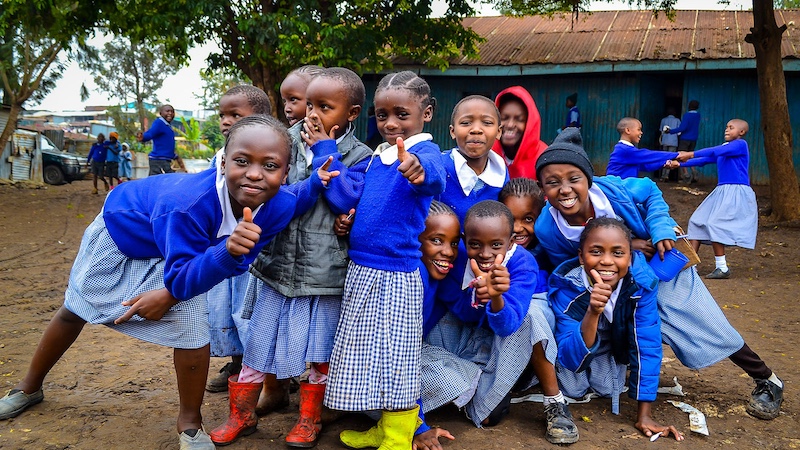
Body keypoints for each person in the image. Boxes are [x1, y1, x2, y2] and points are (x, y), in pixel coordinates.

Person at [0, 115, 337, 449]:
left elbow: (297, 198)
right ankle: (29, 388)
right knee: (75, 309)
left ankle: (190, 423)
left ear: (286, 171)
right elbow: (183, 275)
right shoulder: (188, 205)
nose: (254, 173)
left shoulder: (277, 206)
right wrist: (191, 276)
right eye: (242, 161)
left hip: (185, 256)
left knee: (193, 331)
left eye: (270, 166)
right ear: (222, 161)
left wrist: (315, 183)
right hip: (124, 236)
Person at [534, 128, 784, 422]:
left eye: (574, 179)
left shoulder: (613, 190)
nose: (565, 189)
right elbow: (568, 264)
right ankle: (624, 375)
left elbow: (651, 191)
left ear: (588, 179)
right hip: (614, 279)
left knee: (703, 322)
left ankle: (767, 379)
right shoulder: (547, 228)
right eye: (553, 183)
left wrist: (659, 229)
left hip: (660, 262)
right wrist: (626, 253)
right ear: (542, 188)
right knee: (619, 329)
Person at [210, 68, 373, 448]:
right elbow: (267, 188)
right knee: (257, 348)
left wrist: (324, 153)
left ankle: (308, 420)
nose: (313, 115)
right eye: (309, 104)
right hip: (277, 268)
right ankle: (242, 414)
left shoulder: (360, 155)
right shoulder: (282, 141)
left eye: (324, 107)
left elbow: (344, 199)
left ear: (350, 114)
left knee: (319, 354)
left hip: (324, 275)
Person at [324, 70, 445, 450]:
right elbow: (346, 196)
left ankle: (398, 435)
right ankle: (383, 425)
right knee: (365, 353)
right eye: (381, 115)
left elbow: (434, 179)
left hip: (396, 274)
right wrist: (323, 153)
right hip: (362, 269)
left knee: (397, 356)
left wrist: (418, 172)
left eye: (401, 114)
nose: (390, 123)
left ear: (426, 113)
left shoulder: (424, 152)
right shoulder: (377, 157)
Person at [422, 200, 578, 445]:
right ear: (464, 240)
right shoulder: (454, 256)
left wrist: (495, 297)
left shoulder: (523, 264)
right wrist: (478, 296)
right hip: (460, 336)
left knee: (532, 317)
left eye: (496, 245)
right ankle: (472, 385)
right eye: (475, 244)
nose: (485, 254)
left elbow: (509, 326)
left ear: (511, 241)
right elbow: (460, 309)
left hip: (497, 338)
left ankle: (555, 402)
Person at [549, 217, 683, 441]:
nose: (607, 261)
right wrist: (592, 311)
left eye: (618, 253)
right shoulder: (568, 288)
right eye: (596, 252)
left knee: (605, 387)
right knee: (572, 387)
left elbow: (647, 344)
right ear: (581, 256)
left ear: (630, 258)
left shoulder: (641, 285)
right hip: (580, 342)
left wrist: (645, 415)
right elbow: (570, 359)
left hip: (613, 345)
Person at [203, 84, 273, 394]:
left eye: (235, 114)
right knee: (223, 309)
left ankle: (263, 373)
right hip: (221, 245)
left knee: (250, 312)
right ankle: (236, 362)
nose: (225, 121)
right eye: (222, 115)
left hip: (252, 249)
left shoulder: (268, 157)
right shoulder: (219, 156)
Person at [673, 119, 757, 280]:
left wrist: (689, 153)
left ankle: (722, 267)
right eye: (726, 127)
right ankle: (690, 267)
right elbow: (705, 160)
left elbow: (713, 151)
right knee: (696, 221)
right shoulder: (724, 148)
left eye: (731, 127)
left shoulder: (740, 144)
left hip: (736, 191)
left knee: (714, 224)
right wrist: (679, 165)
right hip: (721, 191)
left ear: (741, 132)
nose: (727, 129)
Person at [437, 95, 508, 221]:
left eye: (487, 123)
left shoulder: (501, 173)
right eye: (465, 123)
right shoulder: (438, 168)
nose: (476, 130)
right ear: (453, 131)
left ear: (498, 132)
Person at [491, 86, 548, 179]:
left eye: (519, 119)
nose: (510, 125)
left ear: (530, 123)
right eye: (504, 118)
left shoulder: (544, 159)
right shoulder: (485, 155)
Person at [606, 117, 678, 179]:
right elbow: (650, 155)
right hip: (617, 188)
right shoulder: (625, 150)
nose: (641, 132)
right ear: (628, 130)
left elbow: (646, 166)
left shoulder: (625, 150)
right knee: (649, 186)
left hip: (622, 188)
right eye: (639, 129)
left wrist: (665, 163)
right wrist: (676, 155)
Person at [137, 104, 186, 175]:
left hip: (164, 160)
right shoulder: (159, 123)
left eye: (172, 111)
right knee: (161, 182)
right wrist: (143, 137)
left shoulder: (167, 126)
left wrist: (174, 156)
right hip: (158, 160)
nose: (170, 113)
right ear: (161, 113)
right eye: (167, 111)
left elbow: (166, 144)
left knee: (163, 181)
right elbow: (151, 133)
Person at [664, 100, 700, 183]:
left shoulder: (687, 115)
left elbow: (682, 128)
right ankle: (695, 172)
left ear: (689, 106)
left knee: (682, 156)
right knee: (690, 155)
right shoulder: (698, 115)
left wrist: (670, 131)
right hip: (694, 138)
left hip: (685, 139)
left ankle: (686, 175)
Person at [658, 109, 681, 181]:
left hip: (664, 140)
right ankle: (666, 176)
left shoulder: (663, 120)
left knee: (664, 158)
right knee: (670, 159)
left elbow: (661, 130)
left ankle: (662, 176)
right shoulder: (677, 120)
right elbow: (679, 133)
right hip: (673, 142)